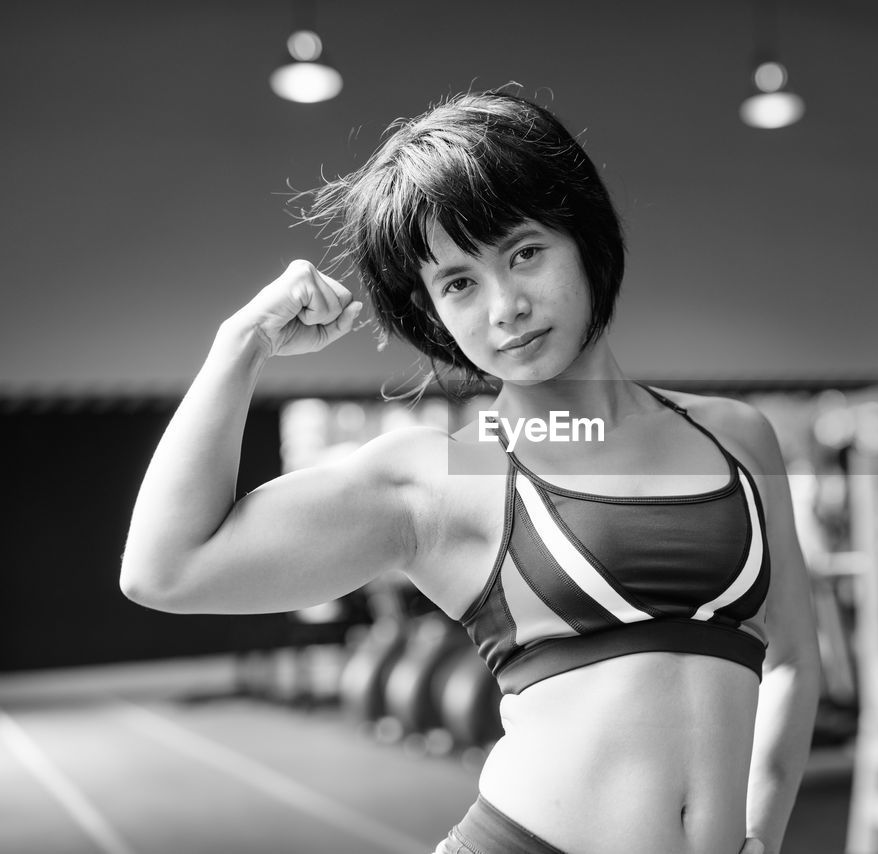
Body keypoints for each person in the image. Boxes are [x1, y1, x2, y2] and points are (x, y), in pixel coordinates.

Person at [120, 90, 821, 854]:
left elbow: (790, 661)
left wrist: (761, 831)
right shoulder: (444, 476)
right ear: (434, 315)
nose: (506, 306)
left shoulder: (736, 438)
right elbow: (165, 569)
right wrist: (242, 341)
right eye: (459, 283)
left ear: (584, 239)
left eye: (524, 253)